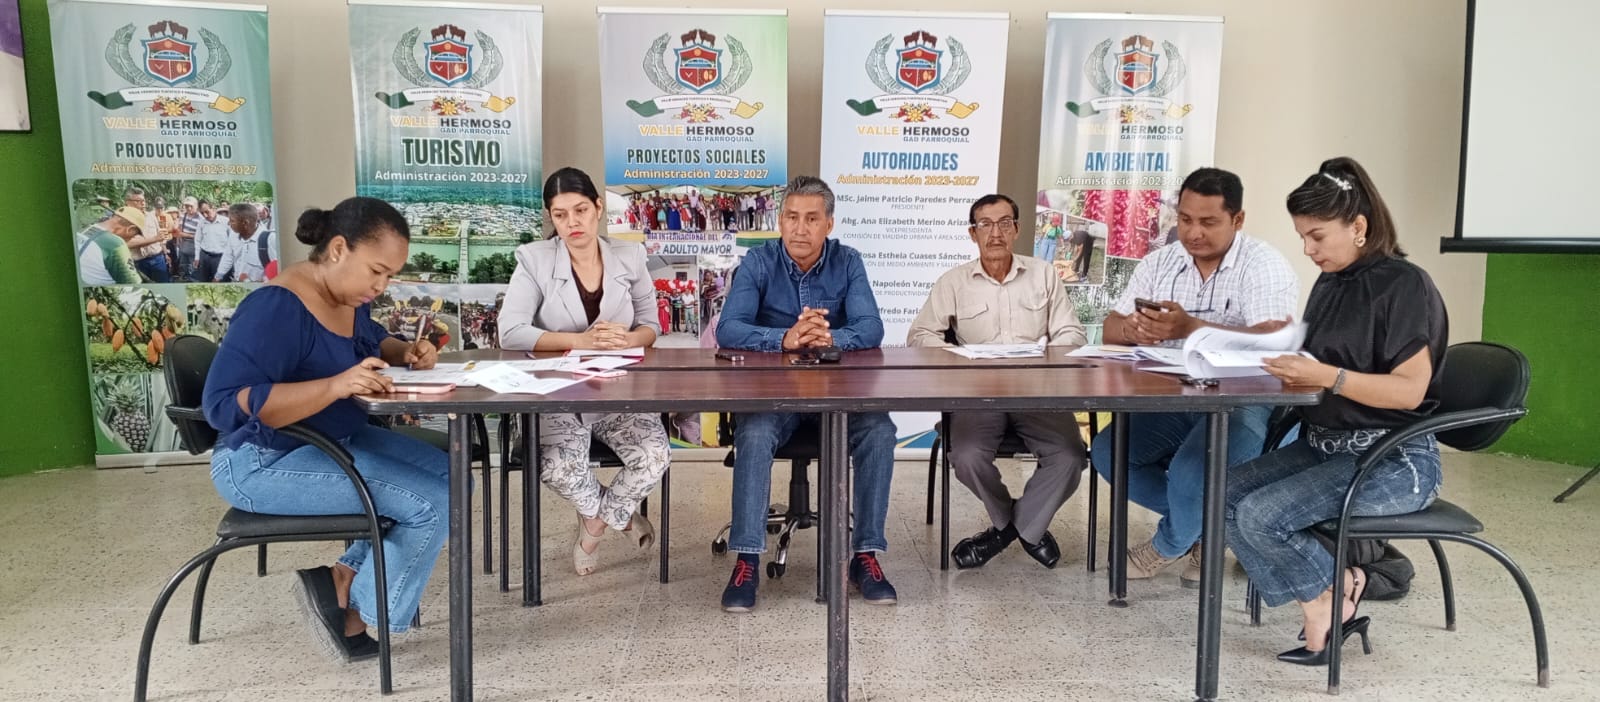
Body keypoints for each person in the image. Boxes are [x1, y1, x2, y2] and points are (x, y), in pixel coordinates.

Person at [202, 196, 448, 663]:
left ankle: (341, 580)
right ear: (337, 249)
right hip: (263, 460)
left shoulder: (346, 297)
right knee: (432, 504)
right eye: (376, 271)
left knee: (452, 476)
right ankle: (356, 617)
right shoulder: (276, 308)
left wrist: (403, 351)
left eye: (390, 276)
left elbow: (369, 339)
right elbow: (221, 405)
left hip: (330, 441)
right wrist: (335, 386)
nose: (381, 286)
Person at [1227, 156, 1448, 665]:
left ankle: (1325, 607)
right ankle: (1333, 592)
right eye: (1302, 236)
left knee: (1259, 516)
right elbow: (1320, 362)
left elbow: (1409, 393)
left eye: (1317, 236)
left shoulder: (1405, 285)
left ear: (1359, 227)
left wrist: (1327, 377)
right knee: (1222, 494)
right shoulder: (1331, 281)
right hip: (1325, 445)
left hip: (1393, 459)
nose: (1308, 249)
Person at [1091, 167, 1299, 587]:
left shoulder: (1263, 264)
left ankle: (1165, 546)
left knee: (1192, 472)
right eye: (1185, 219)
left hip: (1242, 399)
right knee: (1108, 452)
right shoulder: (1161, 261)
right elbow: (1110, 328)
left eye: (1208, 222)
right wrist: (1132, 329)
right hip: (1172, 395)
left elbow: (1273, 342)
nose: (1193, 232)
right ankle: (1212, 529)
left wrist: (1192, 328)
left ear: (1237, 220)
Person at [715, 175, 898, 611]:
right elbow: (729, 328)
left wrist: (828, 339)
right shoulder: (758, 262)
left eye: (812, 219)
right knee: (754, 433)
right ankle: (746, 559)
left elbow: (871, 327)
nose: (800, 228)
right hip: (773, 397)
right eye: (792, 217)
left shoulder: (848, 261)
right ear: (780, 220)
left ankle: (865, 555)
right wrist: (785, 338)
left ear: (828, 224)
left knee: (880, 431)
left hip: (837, 395)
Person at [497, 167, 670, 576]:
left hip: (615, 389)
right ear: (551, 218)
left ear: (598, 208)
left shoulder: (629, 255)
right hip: (558, 392)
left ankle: (594, 525)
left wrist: (628, 339)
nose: (572, 222)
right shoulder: (534, 259)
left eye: (580, 210)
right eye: (560, 215)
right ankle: (617, 517)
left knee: (654, 455)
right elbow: (511, 331)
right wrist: (580, 341)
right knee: (557, 466)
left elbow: (651, 326)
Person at [906, 194, 1088, 569]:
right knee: (966, 456)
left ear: (1017, 230)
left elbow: (1071, 333)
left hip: (1035, 390)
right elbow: (920, 336)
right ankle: (1021, 526)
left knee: (1070, 456)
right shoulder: (953, 282)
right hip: (978, 392)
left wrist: (1046, 357)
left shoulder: (1043, 274)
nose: (995, 233)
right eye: (985, 225)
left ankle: (1007, 532)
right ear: (972, 233)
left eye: (1005, 223)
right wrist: (958, 358)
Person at [75, 206, 143, 285]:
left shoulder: (85, 229)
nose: (133, 238)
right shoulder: (116, 244)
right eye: (135, 234)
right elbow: (133, 282)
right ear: (130, 229)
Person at [123, 187, 172, 283]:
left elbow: (160, 236)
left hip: (158, 259)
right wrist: (154, 239)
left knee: (163, 285)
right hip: (138, 262)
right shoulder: (123, 220)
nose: (143, 203)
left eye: (143, 200)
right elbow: (126, 244)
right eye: (138, 201)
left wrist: (166, 254)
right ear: (128, 202)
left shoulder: (150, 216)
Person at [214, 203, 268, 282]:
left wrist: (250, 282)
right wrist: (218, 277)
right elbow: (228, 256)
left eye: (232, 221)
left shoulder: (267, 240)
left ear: (245, 223)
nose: (228, 223)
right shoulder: (234, 235)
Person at [194, 200, 232, 283]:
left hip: (220, 258)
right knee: (204, 283)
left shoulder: (226, 222)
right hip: (205, 257)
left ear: (213, 208)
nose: (205, 215)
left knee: (220, 283)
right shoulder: (201, 223)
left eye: (207, 212)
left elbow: (232, 241)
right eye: (202, 213)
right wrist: (197, 257)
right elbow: (197, 240)